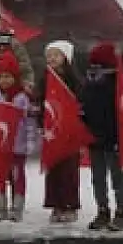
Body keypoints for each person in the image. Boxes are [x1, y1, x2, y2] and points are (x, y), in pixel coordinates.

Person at [80, 41, 123, 231]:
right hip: (94, 138)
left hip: (115, 138)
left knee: (116, 176)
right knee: (98, 178)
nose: (94, 69)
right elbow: (84, 108)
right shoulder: (88, 85)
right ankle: (103, 210)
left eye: (99, 65)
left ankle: (122, 211)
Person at [0, 52, 36, 222]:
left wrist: (29, 141)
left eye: (8, 76)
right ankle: (1, 206)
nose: (4, 80)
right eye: (1, 76)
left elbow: (29, 121)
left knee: (17, 176)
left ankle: (17, 207)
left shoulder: (22, 97)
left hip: (17, 145)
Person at [40, 40, 82, 223]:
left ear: (66, 57)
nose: (52, 59)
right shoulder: (45, 79)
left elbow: (80, 103)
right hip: (52, 132)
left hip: (70, 132)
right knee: (54, 170)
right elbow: (41, 102)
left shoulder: (75, 81)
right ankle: (56, 204)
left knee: (69, 171)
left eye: (56, 55)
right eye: (49, 55)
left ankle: (70, 205)